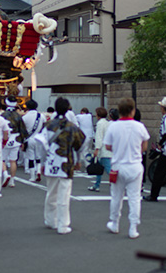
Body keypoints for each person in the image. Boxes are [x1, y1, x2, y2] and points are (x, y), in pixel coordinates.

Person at [33, 97, 85, 235]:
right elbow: (80, 145)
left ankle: (50, 221)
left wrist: (42, 163)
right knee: (64, 195)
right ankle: (63, 225)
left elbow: (42, 145)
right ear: (68, 108)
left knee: (51, 193)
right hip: (66, 164)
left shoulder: (48, 125)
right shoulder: (72, 127)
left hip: (51, 163)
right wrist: (78, 160)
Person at [104, 98, 150, 239]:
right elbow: (144, 146)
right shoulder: (140, 126)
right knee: (135, 198)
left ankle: (114, 223)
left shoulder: (113, 126)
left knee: (116, 196)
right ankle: (133, 228)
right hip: (135, 166)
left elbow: (108, 146)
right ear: (133, 111)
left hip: (118, 166)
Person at [1, 96, 24, 188]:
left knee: (2, 159)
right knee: (13, 160)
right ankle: (12, 181)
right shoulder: (18, 115)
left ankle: (5, 174)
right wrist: (23, 141)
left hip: (6, 137)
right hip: (16, 138)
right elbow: (22, 129)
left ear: (6, 103)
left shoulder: (3, 115)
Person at [21, 100, 45, 182]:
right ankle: (38, 171)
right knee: (38, 157)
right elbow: (45, 126)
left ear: (27, 107)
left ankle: (32, 176)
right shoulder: (41, 116)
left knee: (30, 158)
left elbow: (22, 130)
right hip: (39, 139)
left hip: (29, 139)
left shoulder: (25, 117)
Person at [89, 107, 112, 192]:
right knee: (99, 168)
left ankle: (118, 183)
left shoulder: (99, 124)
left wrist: (96, 149)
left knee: (108, 169)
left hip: (103, 150)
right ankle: (96, 185)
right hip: (108, 148)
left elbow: (99, 137)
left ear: (98, 115)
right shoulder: (108, 123)